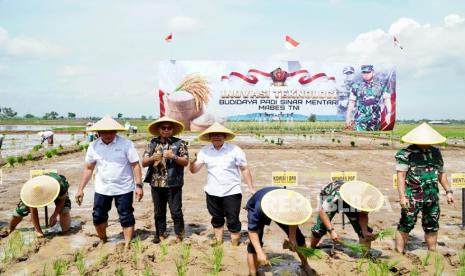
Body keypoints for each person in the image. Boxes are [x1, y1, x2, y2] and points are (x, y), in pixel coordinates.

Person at [75, 115, 143, 249]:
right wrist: (80, 189)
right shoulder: (93, 146)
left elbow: (135, 165)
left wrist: (139, 185)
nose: (108, 135)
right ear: (98, 133)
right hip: (102, 188)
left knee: (126, 215)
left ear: (116, 131)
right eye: (104, 132)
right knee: (98, 216)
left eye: (111, 131)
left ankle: (128, 242)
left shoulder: (126, 144)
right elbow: (89, 168)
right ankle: (103, 239)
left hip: (124, 187)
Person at [190, 123, 255, 246]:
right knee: (217, 218)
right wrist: (191, 162)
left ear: (224, 136)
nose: (216, 137)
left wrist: (251, 188)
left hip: (232, 191)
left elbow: (244, 169)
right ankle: (218, 243)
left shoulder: (235, 150)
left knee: (233, 220)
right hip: (212, 191)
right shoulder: (204, 151)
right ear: (209, 137)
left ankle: (234, 245)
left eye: (219, 135)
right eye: (213, 135)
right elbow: (194, 170)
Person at [395, 123, 454, 253]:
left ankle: (432, 253)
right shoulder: (405, 154)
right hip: (412, 197)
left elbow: (441, 174)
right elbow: (401, 176)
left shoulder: (436, 152)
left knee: (432, 225)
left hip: (432, 196)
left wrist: (448, 191)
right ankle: (399, 254)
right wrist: (402, 197)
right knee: (406, 224)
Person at [246, 187, 314, 276]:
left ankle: (305, 264)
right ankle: (253, 273)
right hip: (260, 205)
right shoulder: (259, 207)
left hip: (280, 207)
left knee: (299, 238)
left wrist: (292, 237)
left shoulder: (291, 203)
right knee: (254, 244)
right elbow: (252, 231)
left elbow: (293, 219)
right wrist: (259, 252)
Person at [142, 117, 188, 243]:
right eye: (163, 128)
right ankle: (160, 234)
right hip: (156, 183)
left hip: (174, 183)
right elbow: (144, 163)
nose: (166, 130)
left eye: (169, 128)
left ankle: (180, 235)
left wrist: (173, 156)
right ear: (158, 129)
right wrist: (152, 158)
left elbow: (185, 162)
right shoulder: (152, 143)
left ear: (173, 129)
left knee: (176, 211)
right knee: (158, 212)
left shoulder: (179, 143)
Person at [310, 180, 384, 252]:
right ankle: (313, 247)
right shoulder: (337, 196)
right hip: (331, 197)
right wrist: (331, 231)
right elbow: (322, 212)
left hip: (349, 201)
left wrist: (364, 231)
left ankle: (366, 256)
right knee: (320, 227)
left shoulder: (363, 199)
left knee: (362, 231)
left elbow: (363, 214)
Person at [1, 173, 71, 238]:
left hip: (55, 189)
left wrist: (54, 215)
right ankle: (10, 229)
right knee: (19, 212)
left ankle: (66, 233)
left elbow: (61, 200)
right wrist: (38, 231)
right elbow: (33, 212)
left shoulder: (59, 185)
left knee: (64, 209)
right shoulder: (30, 192)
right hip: (34, 191)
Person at [345, 65, 392, 131]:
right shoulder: (356, 86)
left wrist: (389, 113)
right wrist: (348, 117)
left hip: (375, 120)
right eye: (364, 72)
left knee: (374, 139)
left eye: (368, 72)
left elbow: (387, 99)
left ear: (373, 72)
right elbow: (351, 103)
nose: (366, 74)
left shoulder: (381, 85)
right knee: (359, 138)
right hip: (360, 120)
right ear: (362, 73)